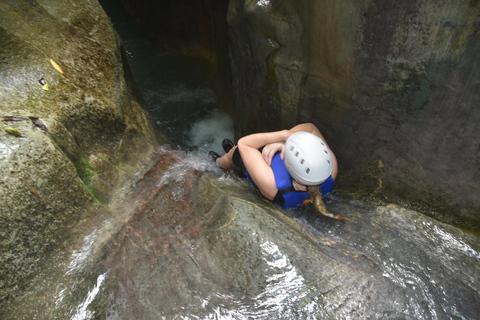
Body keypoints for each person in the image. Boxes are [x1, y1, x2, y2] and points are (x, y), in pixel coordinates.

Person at [209, 123, 346, 219]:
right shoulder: (331, 171)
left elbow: (245, 143)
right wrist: (284, 142)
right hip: (283, 173)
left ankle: (219, 162)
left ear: (289, 164)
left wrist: (283, 135)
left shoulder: (272, 185)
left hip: (258, 167)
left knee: (236, 151)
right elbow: (310, 129)